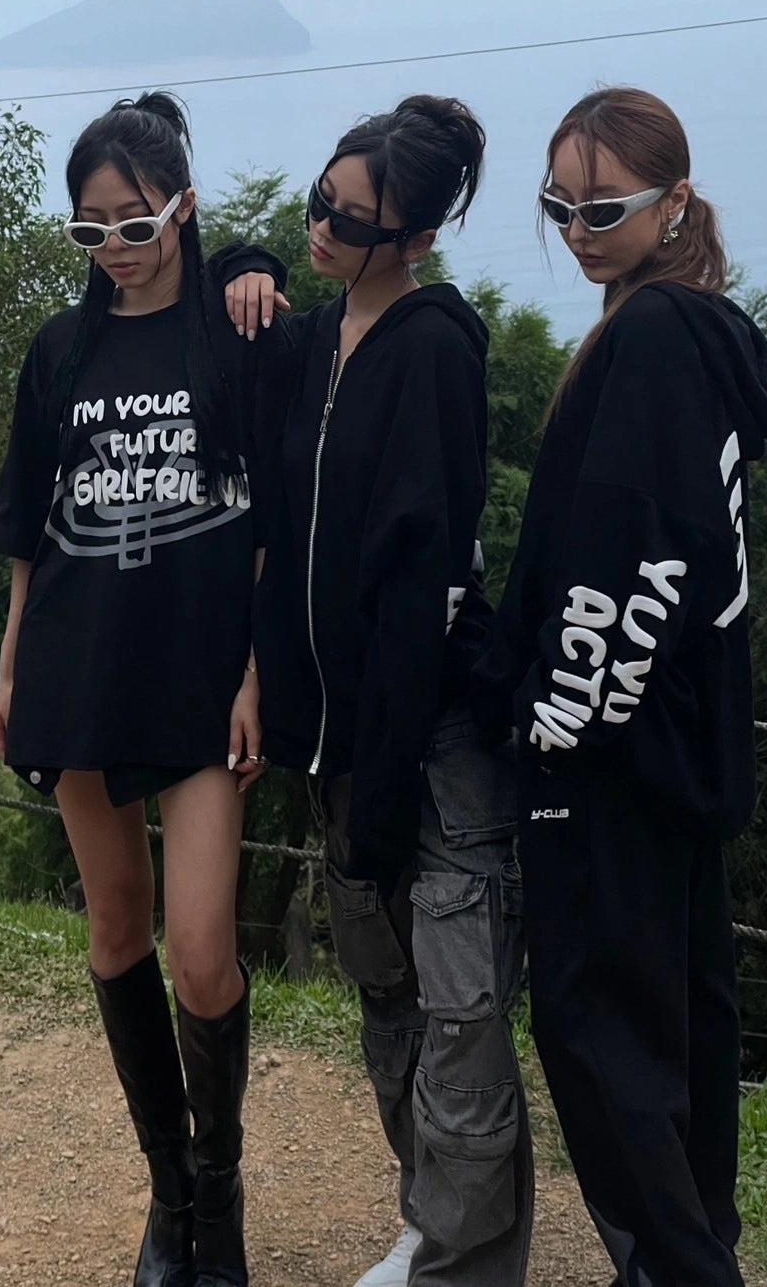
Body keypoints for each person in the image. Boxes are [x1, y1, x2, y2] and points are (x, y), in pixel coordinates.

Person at [473, 87, 767, 1287]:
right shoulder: (690, 327)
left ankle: (678, 1267)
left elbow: (632, 559)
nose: (576, 231)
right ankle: (693, 1254)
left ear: (673, 202)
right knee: (680, 1030)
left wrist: (554, 720)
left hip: (608, 754)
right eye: (557, 206)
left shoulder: (655, 336)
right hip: (678, 755)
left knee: (598, 1034)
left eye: (603, 208)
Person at [226, 95, 534, 1287]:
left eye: (351, 223)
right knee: (388, 992)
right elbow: (262, 500)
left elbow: (421, 581)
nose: (323, 228)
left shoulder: (435, 349)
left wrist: (393, 772)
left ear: (417, 238)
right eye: (320, 201)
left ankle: (465, 1256)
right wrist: (243, 261)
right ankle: (431, 1221)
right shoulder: (311, 343)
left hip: (429, 736)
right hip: (337, 740)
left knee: (458, 1004)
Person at [0, 93, 288, 1287]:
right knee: (116, 927)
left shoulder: (235, 339)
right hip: (77, 668)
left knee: (202, 953)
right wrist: (14, 669)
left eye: (136, 222)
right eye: (90, 228)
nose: (114, 246)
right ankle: (171, 1201)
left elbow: (271, 527)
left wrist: (256, 669)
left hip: (200, 681)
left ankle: (223, 1186)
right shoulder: (61, 350)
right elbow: (29, 528)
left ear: (183, 209)